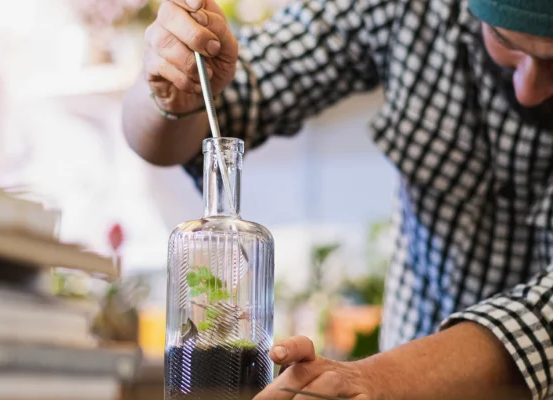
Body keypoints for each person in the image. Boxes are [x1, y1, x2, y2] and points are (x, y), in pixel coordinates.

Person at [122, 0, 553, 398]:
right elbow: (234, 92)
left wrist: (377, 379)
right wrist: (172, 90)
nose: (529, 89)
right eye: (504, 41)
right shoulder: (408, 9)